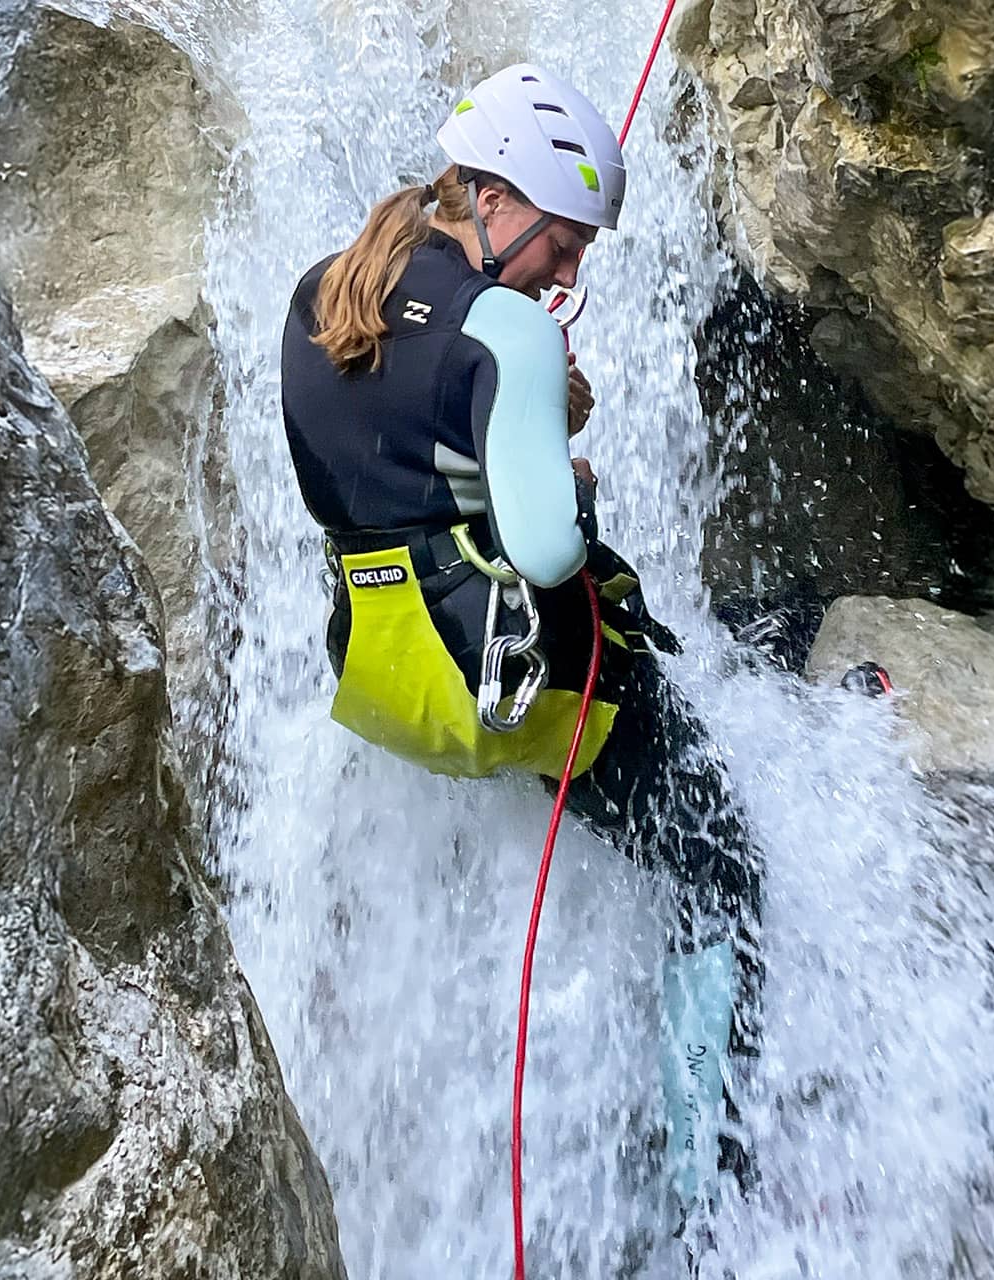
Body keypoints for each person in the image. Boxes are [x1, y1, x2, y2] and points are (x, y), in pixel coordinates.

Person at [279, 62, 767, 1248]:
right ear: (497, 200)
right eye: (564, 240)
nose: (571, 272)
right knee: (723, 872)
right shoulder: (506, 334)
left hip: (379, 658)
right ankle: (711, 1206)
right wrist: (569, 472)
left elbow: (384, 468)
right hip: (521, 680)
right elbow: (548, 549)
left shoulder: (320, 291)